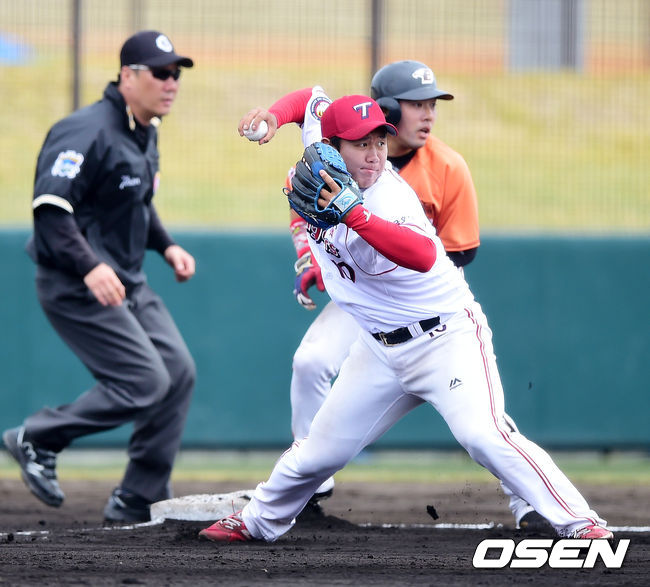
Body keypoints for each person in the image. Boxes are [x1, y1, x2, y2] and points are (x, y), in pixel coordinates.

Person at [201, 94, 613, 543]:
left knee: (483, 435)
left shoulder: (389, 198)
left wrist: (356, 216)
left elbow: (421, 254)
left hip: (445, 338)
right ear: (332, 146)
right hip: (378, 349)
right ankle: (257, 521)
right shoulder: (322, 147)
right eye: (362, 144)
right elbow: (310, 101)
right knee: (318, 453)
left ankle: (580, 521)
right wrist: (275, 116)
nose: (375, 154)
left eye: (380, 142)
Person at [238, 61, 546, 531]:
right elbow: (304, 186)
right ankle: (312, 489)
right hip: (357, 297)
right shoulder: (341, 140)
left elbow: (453, 256)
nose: (428, 114)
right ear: (385, 109)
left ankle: (528, 501)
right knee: (311, 361)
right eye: (416, 104)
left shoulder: (446, 168)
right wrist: (316, 258)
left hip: (417, 300)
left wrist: (375, 244)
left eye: (432, 104)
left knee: (479, 421)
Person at [2, 30, 197, 523]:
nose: (171, 83)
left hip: (126, 281)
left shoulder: (143, 131)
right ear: (127, 75)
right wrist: (90, 266)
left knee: (177, 373)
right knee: (144, 380)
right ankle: (37, 437)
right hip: (76, 283)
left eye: (176, 73)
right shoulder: (85, 130)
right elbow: (50, 210)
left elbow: (137, 203)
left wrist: (166, 244)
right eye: (161, 73)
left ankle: (137, 497)